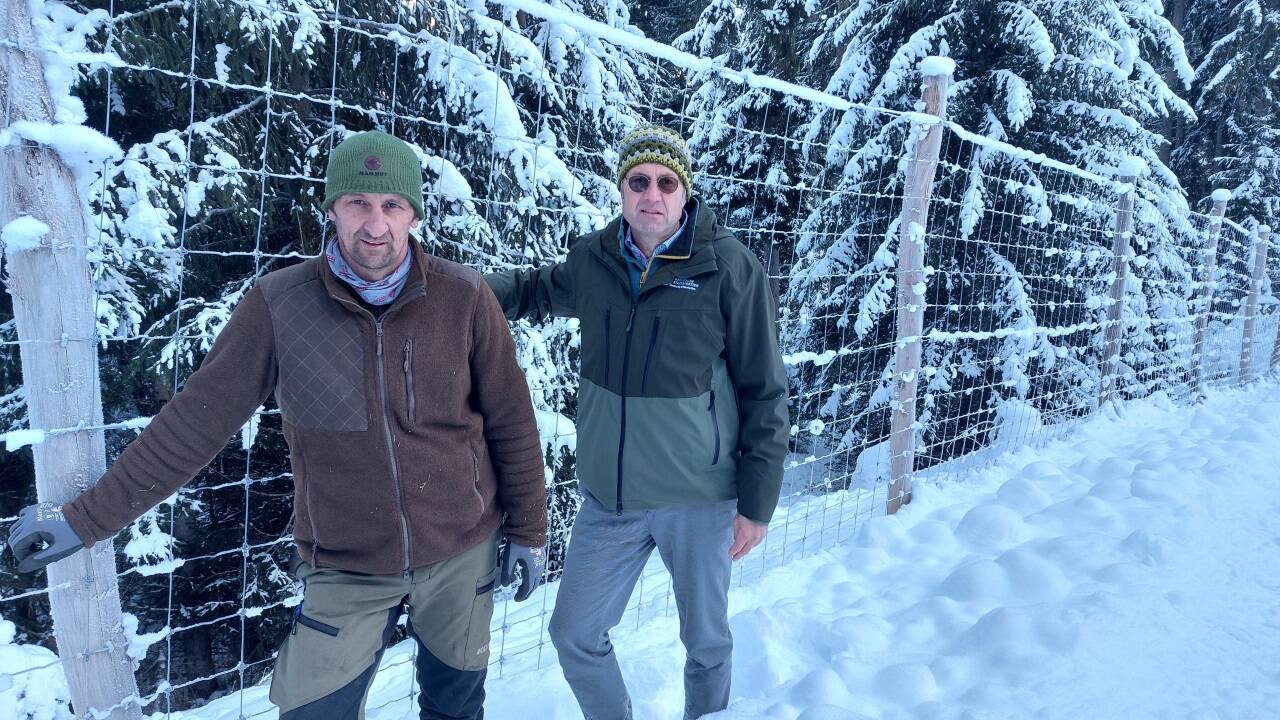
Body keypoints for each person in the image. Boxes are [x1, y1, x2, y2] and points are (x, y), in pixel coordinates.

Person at [8, 131, 548, 720]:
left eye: (392, 205)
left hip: (461, 551)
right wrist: (85, 520)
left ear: (413, 213)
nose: (375, 224)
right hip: (346, 564)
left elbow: (511, 421)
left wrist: (528, 529)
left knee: (455, 706)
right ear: (332, 209)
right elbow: (192, 425)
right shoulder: (279, 304)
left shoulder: (463, 296)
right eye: (358, 204)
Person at [485, 123, 789, 720]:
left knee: (706, 645)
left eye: (666, 182)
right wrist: (459, 292)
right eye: (639, 181)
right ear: (622, 190)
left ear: (685, 192)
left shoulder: (727, 268)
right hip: (611, 499)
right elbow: (532, 290)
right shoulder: (593, 262)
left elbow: (765, 389)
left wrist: (758, 503)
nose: (652, 193)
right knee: (574, 632)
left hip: (698, 499)